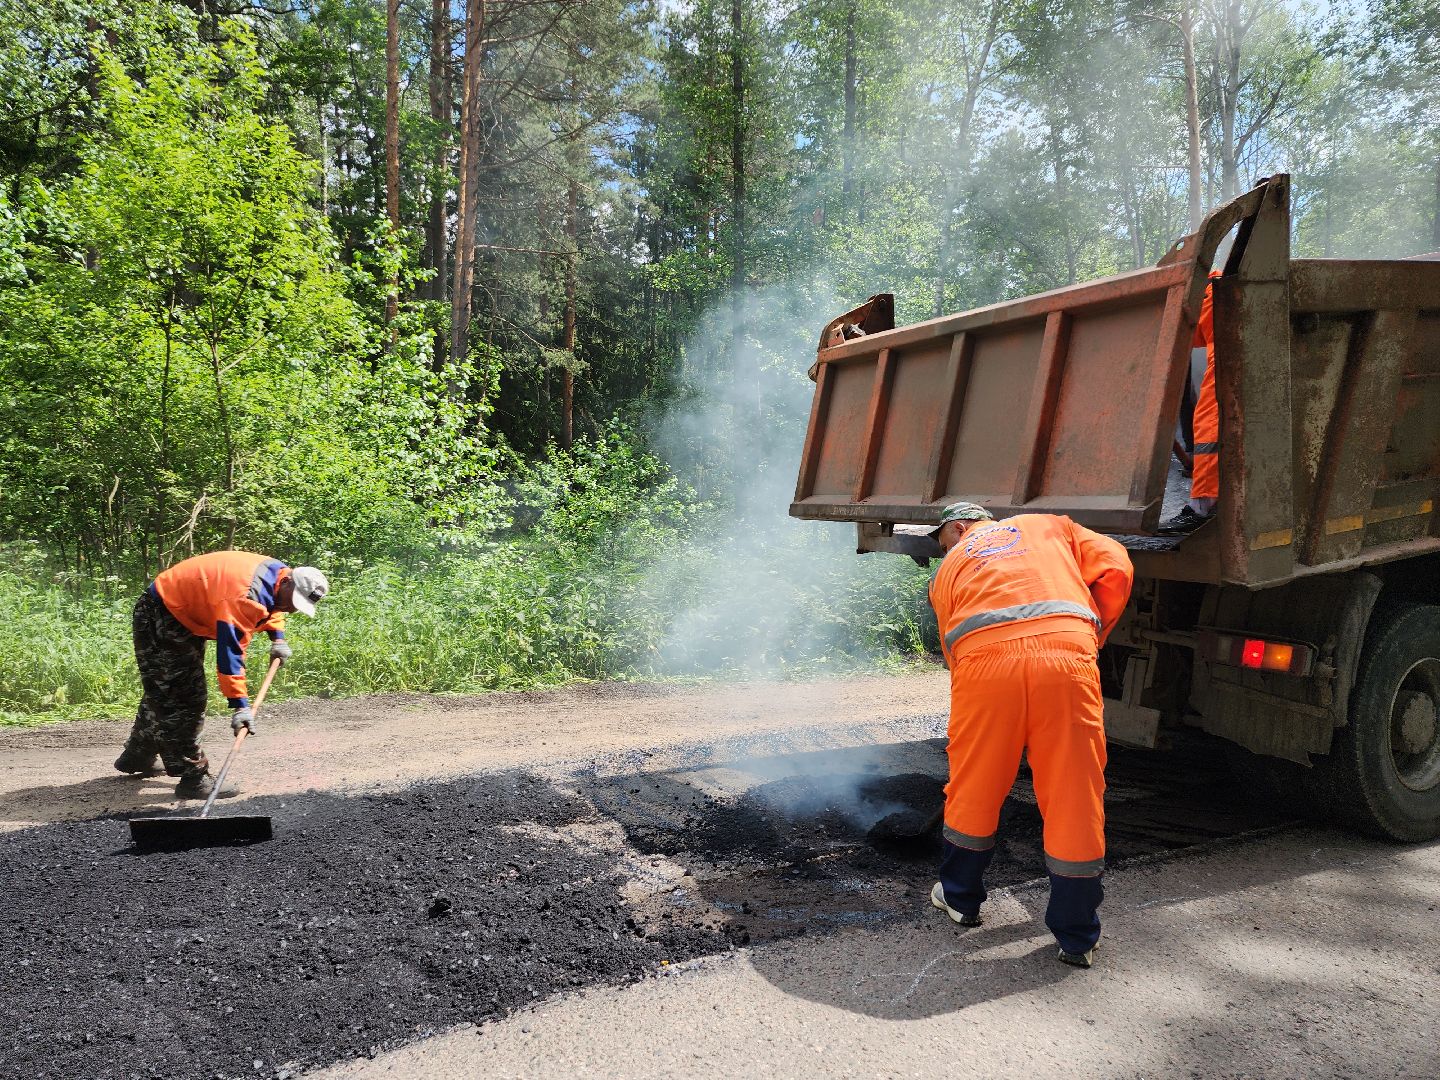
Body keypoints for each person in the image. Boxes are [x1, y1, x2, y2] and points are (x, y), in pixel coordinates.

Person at [926, 502, 1132, 968]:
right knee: (1075, 794)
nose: (945, 551)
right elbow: (1116, 563)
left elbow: (951, 648)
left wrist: (985, 695)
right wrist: (1091, 632)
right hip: (1066, 660)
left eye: (942, 542)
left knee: (974, 786)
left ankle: (959, 898)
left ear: (958, 528)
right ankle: (1077, 936)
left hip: (985, 671)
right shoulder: (1049, 525)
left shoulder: (948, 570)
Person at [113, 551, 329, 798]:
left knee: (165, 685)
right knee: (182, 696)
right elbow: (230, 657)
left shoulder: (278, 574)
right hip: (162, 612)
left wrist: (277, 637)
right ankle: (193, 778)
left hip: (183, 610)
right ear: (288, 581)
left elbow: (275, 604)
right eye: (294, 602)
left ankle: (138, 754)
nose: (292, 610)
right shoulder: (245, 597)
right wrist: (240, 706)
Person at [1160, 272, 1220, 534]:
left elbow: (1191, 332)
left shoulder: (1209, 293)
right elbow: (1196, 334)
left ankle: (1203, 506)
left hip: (1228, 368)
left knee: (1209, 426)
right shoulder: (1213, 290)